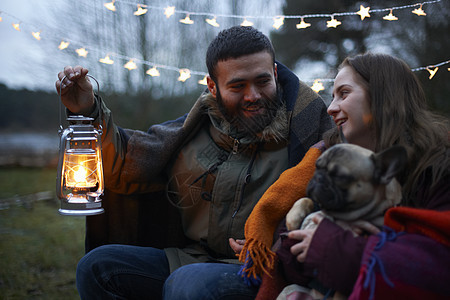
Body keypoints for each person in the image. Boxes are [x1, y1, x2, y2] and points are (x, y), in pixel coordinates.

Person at [56, 26, 334, 299]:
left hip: (262, 269)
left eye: (262, 81)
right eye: (238, 86)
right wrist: (87, 111)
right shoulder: (191, 131)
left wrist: (273, 244)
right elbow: (126, 164)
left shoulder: (309, 135)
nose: (253, 96)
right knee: (97, 267)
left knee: (187, 283)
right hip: (190, 259)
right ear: (213, 87)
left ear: (274, 74)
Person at [239, 53, 450, 299]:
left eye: (344, 93)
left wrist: (330, 247)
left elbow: (434, 269)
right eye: (332, 96)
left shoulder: (438, 168)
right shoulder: (327, 161)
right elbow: (289, 266)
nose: (330, 108)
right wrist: (300, 242)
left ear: (383, 97)